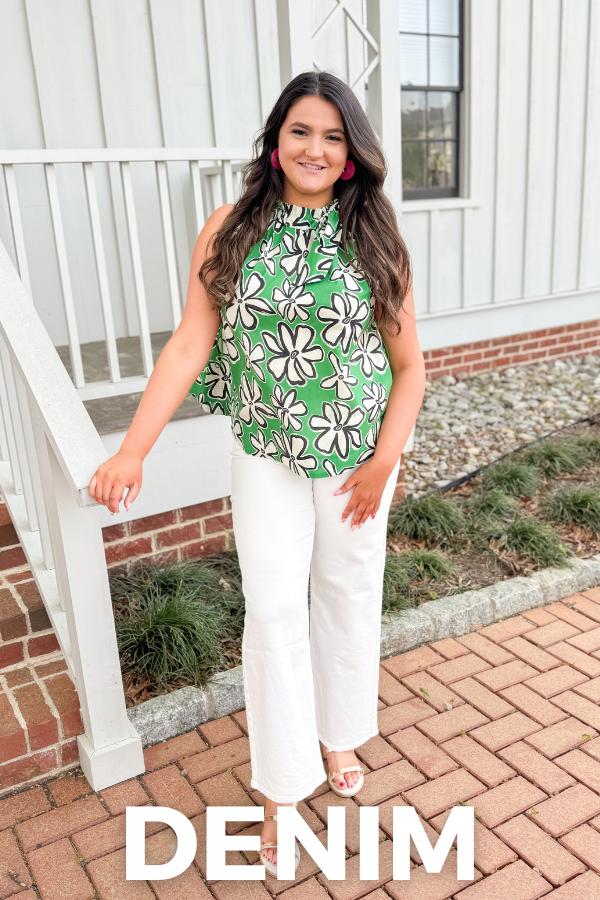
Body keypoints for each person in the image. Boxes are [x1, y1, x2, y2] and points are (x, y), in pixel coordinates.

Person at [89, 71, 426, 877]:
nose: (316, 148)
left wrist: (387, 460)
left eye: (334, 136)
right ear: (276, 141)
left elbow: (410, 367)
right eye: (301, 131)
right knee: (274, 612)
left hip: (355, 461)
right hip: (267, 453)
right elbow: (187, 344)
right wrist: (132, 447)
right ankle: (280, 790)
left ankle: (338, 730)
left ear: (352, 154)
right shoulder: (230, 230)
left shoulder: (375, 236)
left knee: (346, 593)